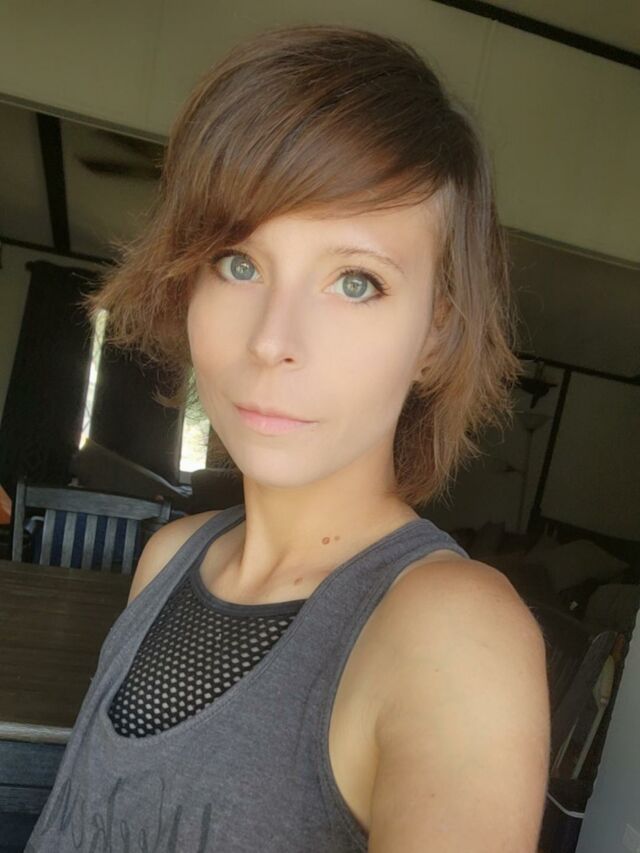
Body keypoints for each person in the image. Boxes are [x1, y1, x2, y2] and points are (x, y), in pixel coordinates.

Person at [26, 22, 550, 852]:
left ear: (436, 333)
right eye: (238, 262)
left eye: (356, 282)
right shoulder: (170, 558)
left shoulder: (452, 633)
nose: (273, 340)